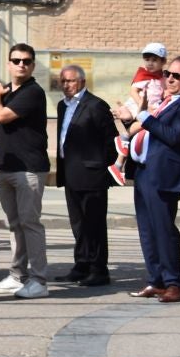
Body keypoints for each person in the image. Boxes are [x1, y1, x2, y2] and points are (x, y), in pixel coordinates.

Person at [115, 55, 180, 303]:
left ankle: (174, 283)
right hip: (144, 171)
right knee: (147, 230)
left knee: (164, 229)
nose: (170, 78)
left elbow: (174, 136)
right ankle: (156, 280)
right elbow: (146, 129)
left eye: (177, 75)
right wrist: (128, 119)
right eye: (168, 74)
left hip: (164, 174)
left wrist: (144, 116)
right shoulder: (167, 101)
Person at [0, 42, 50, 300]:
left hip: (29, 169)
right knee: (15, 226)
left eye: (26, 61)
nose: (21, 64)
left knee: (30, 224)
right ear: (9, 64)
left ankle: (39, 280)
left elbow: (1, 117)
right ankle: (17, 276)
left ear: (32, 65)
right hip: (6, 168)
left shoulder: (32, 92)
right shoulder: (8, 91)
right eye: (16, 60)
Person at [55, 64, 116, 287]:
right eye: (62, 81)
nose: (66, 85)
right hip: (71, 172)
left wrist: (104, 168)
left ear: (82, 81)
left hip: (92, 174)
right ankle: (81, 265)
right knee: (78, 224)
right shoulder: (63, 105)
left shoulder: (96, 105)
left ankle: (99, 269)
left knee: (94, 224)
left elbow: (111, 140)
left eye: (70, 81)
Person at [114, 43, 169, 181]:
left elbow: (163, 93)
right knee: (145, 122)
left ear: (163, 62)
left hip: (153, 107)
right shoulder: (144, 74)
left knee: (145, 128)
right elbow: (133, 91)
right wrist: (143, 106)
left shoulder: (163, 77)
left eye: (154, 60)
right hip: (139, 105)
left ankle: (118, 164)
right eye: (147, 59)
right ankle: (124, 138)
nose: (150, 63)